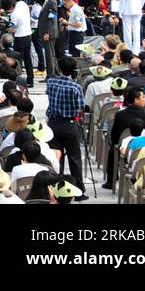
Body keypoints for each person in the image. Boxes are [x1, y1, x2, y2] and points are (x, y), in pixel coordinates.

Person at [45, 55, 86, 195]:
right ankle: (79, 190)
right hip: (69, 124)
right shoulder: (76, 87)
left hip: (54, 123)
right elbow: (80, 108)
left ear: (59, 68)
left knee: (56, 157)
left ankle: (56, 187)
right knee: (74, 158)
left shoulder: (50, 82)